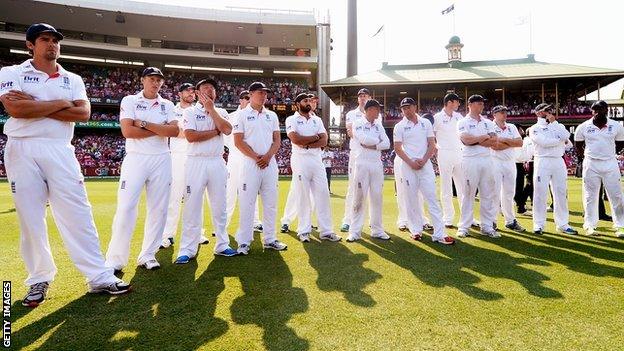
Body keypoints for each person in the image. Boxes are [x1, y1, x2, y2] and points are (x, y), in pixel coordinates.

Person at [0, 23, 130, 306]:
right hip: (22, 149)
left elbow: (83, 113)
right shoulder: (11, 73)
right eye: (44, 40)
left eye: (55, 40)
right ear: (30, 45)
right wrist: (61, 105)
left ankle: (98, 276)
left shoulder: (72, 78)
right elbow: (15, 109)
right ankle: (38, 279)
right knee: (31, 218)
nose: (52, 45)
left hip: (60, 149)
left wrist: (39, 103)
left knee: (78, 212)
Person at [105, 66, 179, 271]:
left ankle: (148, 254)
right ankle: (115, 260)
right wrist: (159, 129)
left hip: (162, 159)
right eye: (152, 78)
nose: (156, 83)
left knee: (159, 209)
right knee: (126, 207)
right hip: (136, 159)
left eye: (159, 80)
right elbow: (128, 131)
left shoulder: (167, 104)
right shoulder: (130, 100)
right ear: (142, 80)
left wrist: (144, 124)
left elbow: (173, 131)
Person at [175, 78, 237, 263]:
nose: (208, 91)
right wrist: (214, 131)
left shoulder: (222, 112)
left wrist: (211, 110)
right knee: (192, 205)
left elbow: (226, 129)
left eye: (211, 88)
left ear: (215, 93)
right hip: (195, 162)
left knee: (220, 206)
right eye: (204, 89)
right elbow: (191, 136)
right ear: (197, 94)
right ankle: (187, 249)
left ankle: (222, 245)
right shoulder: (190, 112)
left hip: (216, 161)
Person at [233, 82, 287, 254]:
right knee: (247, 202)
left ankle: (270, 239)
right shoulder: (241, 115)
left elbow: (277, 140)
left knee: (270, 203)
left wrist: (268, 156)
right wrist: (257, 158)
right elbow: (238, 142)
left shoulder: (271, 115)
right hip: (250, 164)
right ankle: (244, 241)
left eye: (265, 93)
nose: (263, 95)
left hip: (270, 163)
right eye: (259, 92)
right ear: (250, 94)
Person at [393, 98, 455, 244]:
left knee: (432, 198)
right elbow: (397, 148)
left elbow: (432, 145)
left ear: (415, 107)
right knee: (411, 199)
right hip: (408, 166)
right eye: (403, 108)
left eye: (409, 107)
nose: (406, 110)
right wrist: (410, 162)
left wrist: (424, 159)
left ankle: (439, 233)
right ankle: (415, 230)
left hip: (425, 165)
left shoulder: (425, 123)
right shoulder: (399, 126)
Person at [284, 93, 341, 242]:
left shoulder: (317, 120)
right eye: (305, 100)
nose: (308, 102)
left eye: (309, 100)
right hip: (300, 159)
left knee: (323, 194)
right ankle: (304, 230)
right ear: (298, 104)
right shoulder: (292, 119)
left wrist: (307, 143)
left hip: (316, 160)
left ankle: (326, 231)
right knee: (303, 196)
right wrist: (315, 138)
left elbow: (324, 141)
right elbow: (295, 139)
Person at [160, 83, 209, 248]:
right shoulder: (172, 110)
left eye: (192, 91)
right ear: (179, 93)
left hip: (194, 156)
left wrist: (189, 133)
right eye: (187, 90)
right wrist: (190, 133)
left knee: (196, 197)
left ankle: (198, 233)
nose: (191, 93)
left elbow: (196, 132)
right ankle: (167, 235)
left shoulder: (198, 110)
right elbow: (173, 131)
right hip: (176, 157)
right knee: (173, 196)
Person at [574, 100, 624, 237]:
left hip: (610, 163)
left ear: (606, 110)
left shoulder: (616, 126)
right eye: (594, 110)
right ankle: (590, 225)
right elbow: (578, 144)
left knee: (616, 195)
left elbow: (620, 144)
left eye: (599, 109)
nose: (596, 112)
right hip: (591, 163)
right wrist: (587, 156)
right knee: (590, 196)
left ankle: (621, 226)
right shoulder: (584, 126)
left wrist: (607, 153)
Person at [527, 103, 578, 235]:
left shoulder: (558, 125)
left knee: (561, 192)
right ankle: (538, 224)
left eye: (550, 110)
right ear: (538, 113)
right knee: (540, 193)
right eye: (545, 111)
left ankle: (563, 224)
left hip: (558, 161)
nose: (549, 113)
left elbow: (567, 138)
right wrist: (560, 140)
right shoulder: (534, 128)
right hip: (542, 161)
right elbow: (543, 142)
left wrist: (555, 125)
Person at [455, 95, 500, 238]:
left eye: (482, 104)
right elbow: (466, 140)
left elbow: (494, 141)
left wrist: (477, 140)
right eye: (479, 104)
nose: (482, 106)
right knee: (468, 194)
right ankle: (464, 226)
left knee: (488, 194)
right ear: (470, 105)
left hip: (487, 160)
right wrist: (482, 138)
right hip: (470, 160)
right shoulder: (462, 122)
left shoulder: (488, 123)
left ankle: (486, 226)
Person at [347, 99, 391, 242]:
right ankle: (355, 231)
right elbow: (363, 139)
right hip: (362, 163)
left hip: (376, 164)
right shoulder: (358, 123)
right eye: (377, 109)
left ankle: (377, 230)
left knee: (377, 197)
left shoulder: (379, 125)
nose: (379, 112)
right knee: (359, 197)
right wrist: (377, 142)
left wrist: (375, 145)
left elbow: (387, 143)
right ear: (370, 109)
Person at [224, 90, 262, 230]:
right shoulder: (231, 116)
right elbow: (225, 139)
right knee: (230, 191)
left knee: (252, 190)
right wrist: (235, 149)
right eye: (246, 98)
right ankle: (224, 224)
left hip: (250, 158)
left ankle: (255, 221)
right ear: (240, 100)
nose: (249, 100)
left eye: (250, 98)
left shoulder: (257, 116)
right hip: (235, 158)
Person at [341, 88, 372, 232]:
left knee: (373, 188)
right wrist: (366, 138)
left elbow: (377, 133)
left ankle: (374, 221)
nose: (363, 98)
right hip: (356, 153)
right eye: (360, 96)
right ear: (357, 99)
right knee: (352, 187)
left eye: (365, 95)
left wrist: (365, 138)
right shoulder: (351, 114)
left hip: (371, 154)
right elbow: (350, 132)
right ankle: (347, 220)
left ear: (370, 97)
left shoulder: (375, 114)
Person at [490, 105, 525, 232]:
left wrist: (504, 140)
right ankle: (492, 221)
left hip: (510, 162)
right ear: (494, 114)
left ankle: (510, 221)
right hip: (495, 162)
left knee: (509, 193)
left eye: (505, 112)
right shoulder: (490, 126)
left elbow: (520, 143)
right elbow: (495, 146)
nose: (504, 114)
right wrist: (511, 143)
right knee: (494, 192)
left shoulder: (512, 127)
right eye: (501, 112)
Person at [433, 93, 466, 227]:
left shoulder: (459, 117)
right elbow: (431, 136)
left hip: (459, 153)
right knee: (446, 187)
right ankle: (448, 217)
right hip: (444, 153)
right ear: (450, 102)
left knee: (463, 187)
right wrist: (435, 149)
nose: (459, 104)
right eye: (457, 102)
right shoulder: (437, 117)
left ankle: (466, 217)